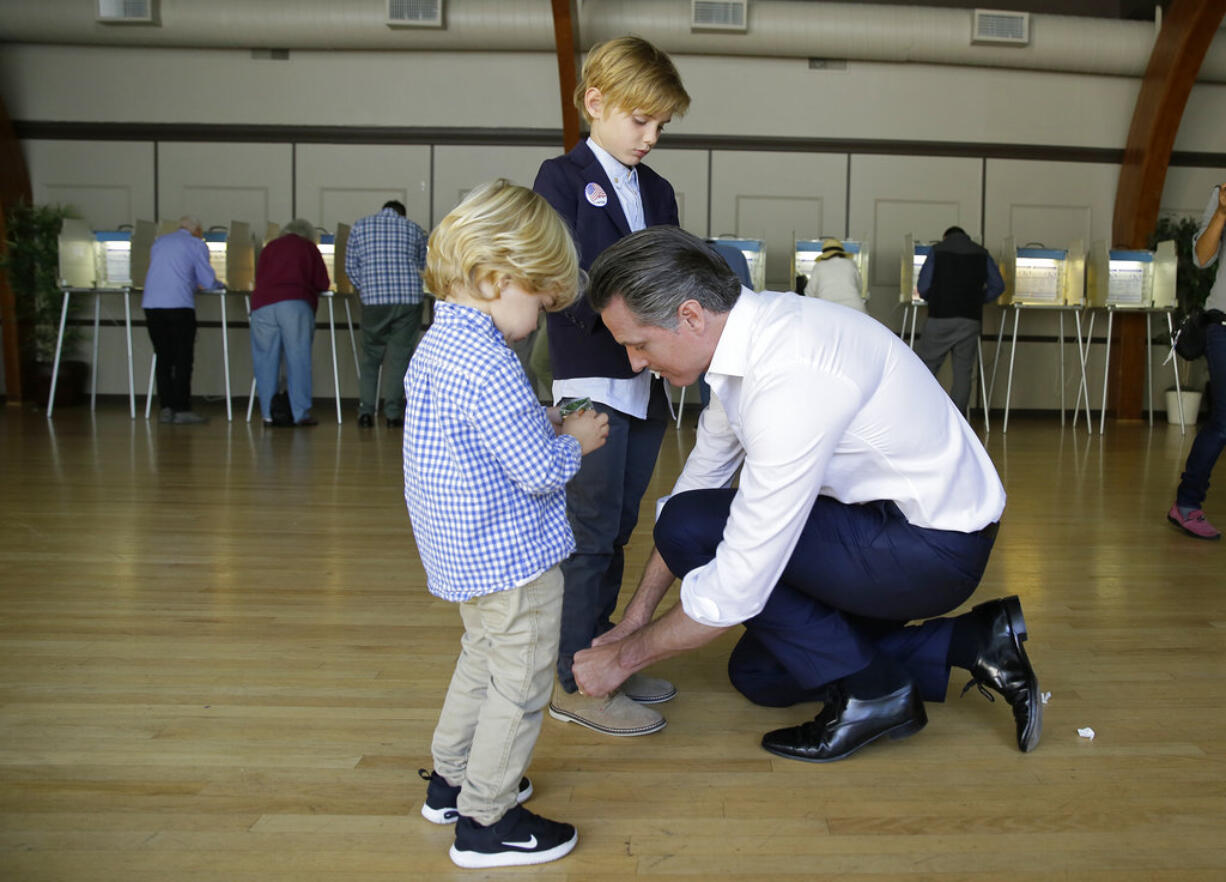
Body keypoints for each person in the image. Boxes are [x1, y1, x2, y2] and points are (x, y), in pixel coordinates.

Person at [571, 226, 1043, 764]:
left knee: (689, 526)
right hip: (877, 527)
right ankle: (972, 642)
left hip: (930, 548)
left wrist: (624, 658)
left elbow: (739, 575)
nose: (634, 363)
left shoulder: (792, 370)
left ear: (690, 316)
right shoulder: (747, 341)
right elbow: (700, 481)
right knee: (761, 674)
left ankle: (872, 696)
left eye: (638, 343)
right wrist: (634, 620)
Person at [404, 180, 610, 869]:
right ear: (495, 276)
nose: (543, 315)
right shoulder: (490, 362)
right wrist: (575, 438)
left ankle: (453, 780)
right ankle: (487, 820)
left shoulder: (440, 345)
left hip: (464, 555)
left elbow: (485, 439)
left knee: (480, 662)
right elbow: (538, 471)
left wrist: (544, 423)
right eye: (540, 299)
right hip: (511, 557)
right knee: (521, 683)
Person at [532, 35, 691, 737]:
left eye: (660, 125)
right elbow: (558, 283)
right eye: (639, 120)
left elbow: (673, 278)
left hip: (646, 385)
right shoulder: (560, 180)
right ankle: (571, 679)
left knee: (620, 528)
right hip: (591, 378)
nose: (651, 137)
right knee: (588, 535)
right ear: (595, 103)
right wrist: (623, 339)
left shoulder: (657, 190)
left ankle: (602, 656)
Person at [1168, 182, 1226, 540]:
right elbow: (1201, 258)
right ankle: (1187, 504)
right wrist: (1221, 212)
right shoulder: (1222, 195)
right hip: (1223, 325)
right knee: (1224, 421)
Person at [344, 199, 428, 428]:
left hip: (374, 301)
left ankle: (366, 412)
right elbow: (423, 264)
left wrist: (367, 287)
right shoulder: (413, 228)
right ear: (402, 214)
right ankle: (392, 414)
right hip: (408, 299)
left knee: (371, 357)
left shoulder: (360, 226)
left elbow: (350, 267)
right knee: (399, 357)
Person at [913, 226, 1005, 414]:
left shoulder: (937, 250)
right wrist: (979, 300)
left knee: (926, 368)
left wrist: (935, 298)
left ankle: (920, 414)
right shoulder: (981, 252)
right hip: (970, 319)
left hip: (939, 317)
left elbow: (923, 287)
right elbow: (998, 285)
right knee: (963, 372)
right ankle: (958, 420)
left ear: (945, 236)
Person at [249, 219, 330, 427]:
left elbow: (259, 277)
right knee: (298, 359)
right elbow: (322, 282)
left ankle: (268, 414)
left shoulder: (270, 247)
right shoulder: (308, 248)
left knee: (265, 361)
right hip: (295, 304)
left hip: (263, 305)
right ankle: (299, 413)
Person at [142, 215, 219, 424]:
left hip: (151, 306)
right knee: (183, 358)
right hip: (179, 306)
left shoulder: (160, 242)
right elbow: (208, 281)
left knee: (163, 358)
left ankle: (166, 408)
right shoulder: (196, 244)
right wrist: (219, 284)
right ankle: (182, 408)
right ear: (198, 230)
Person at [805, 237, 865, 313]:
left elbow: (809, 292)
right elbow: (860, 287)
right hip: (855, 309)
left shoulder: (819, 266)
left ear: (824, 254)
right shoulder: (850, 264)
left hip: (829, 310)